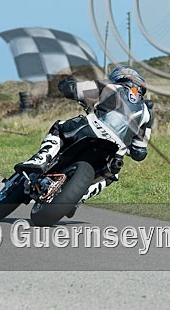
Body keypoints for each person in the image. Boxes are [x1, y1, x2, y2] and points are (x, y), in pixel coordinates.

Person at [15, 65, 153, 210]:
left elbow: (74, 90)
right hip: (116, 153)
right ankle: (79, 197)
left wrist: (65, 83)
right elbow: (139, 152)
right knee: (110, 175)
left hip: (93, 130)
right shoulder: (147, 113)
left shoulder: (110, 86)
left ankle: (41, 159)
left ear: (119, 78)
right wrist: (128, 146)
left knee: (60, 129)